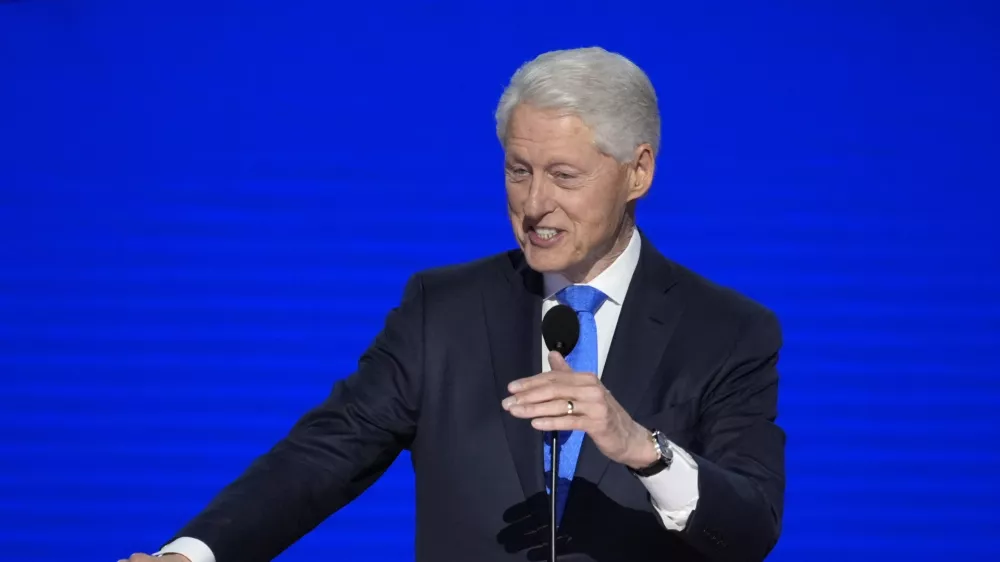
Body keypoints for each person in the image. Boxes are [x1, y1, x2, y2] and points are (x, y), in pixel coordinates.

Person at [121, 46, 785, 562]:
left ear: (638, 171)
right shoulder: (443, 310)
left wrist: (642, 447)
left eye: (563, 175)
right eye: (518, 170)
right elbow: (326, 453)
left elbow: (750, 528)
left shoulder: (727, 331)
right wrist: (195, 551)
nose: (533, 204)